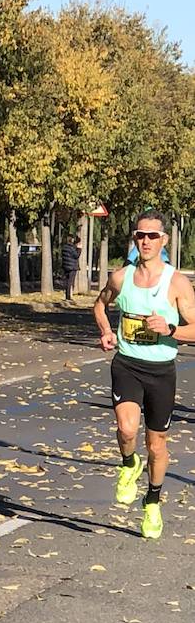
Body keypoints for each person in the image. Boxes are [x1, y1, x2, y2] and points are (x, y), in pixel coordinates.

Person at [94, 211, 194, 539]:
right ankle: (127, 465)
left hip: (161, 371)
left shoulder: (176, 282)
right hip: (127, 364)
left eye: (153, 236)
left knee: (156, 444)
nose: (146, 241)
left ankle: (152, 501)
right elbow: (99, 305)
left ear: (164, 240)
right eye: (140, 235)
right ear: (134, 239)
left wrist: (170, 328)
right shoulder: (121, 277)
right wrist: (107, 330)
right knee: (126, 429)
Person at [60, 233, 81, 301]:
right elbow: (76, 255)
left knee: (66, 281)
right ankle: (68, 296)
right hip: (72, 267)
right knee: (70, 281)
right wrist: (79, 249)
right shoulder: (71, 248)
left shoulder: (64, 247)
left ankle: (66, 294)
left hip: (65, 266)